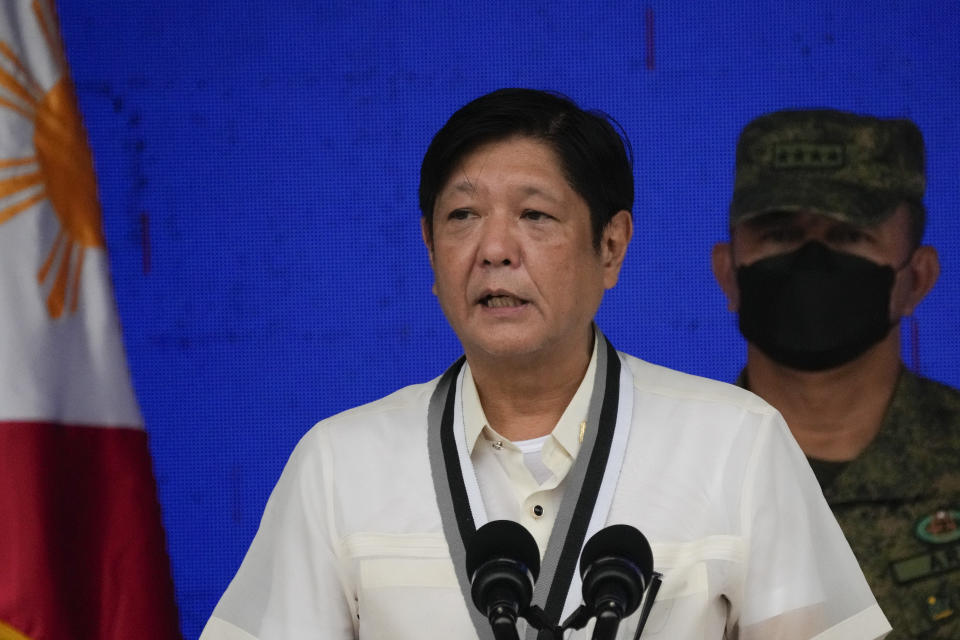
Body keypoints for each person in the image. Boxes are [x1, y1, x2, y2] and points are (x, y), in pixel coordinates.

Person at [201, 90, 890, 639]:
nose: (495, 248)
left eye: (535, 215)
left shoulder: (737, 444)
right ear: (429, 249)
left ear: (612, 246)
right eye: (463, 216)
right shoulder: (338, 464)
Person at [711, 109, 960, 639]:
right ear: (728, 273)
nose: (812, 262)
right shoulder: (660, 476)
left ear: (916, 279)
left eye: (849, 235)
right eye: (780, 234)